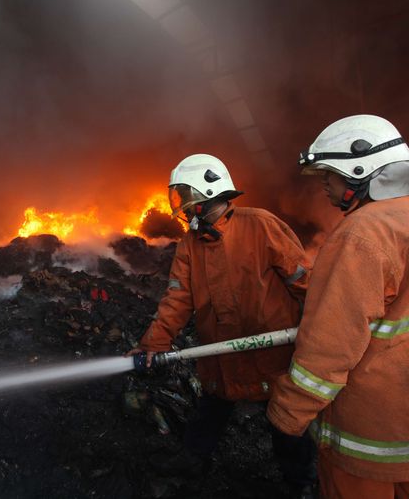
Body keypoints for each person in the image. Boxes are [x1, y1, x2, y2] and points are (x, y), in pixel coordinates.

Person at [267, 115, 409, 498]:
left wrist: (288, 414)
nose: (324, 189)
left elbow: (330, 343)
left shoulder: (362, 233)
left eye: (327, 177)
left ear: (359, 170)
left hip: (374, 438)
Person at [127, 153, 316, 496]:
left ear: (206, 193)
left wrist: (322, 327)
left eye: (185, 196)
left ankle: (300, 484)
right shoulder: (190, 245)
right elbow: (178, 299)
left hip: (272, 355)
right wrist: (154, 343)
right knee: (210, 411)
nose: (181, 206)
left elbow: (304, 281)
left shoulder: (259, 225)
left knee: (286, 423)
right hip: (222, 357)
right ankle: (191, 464)